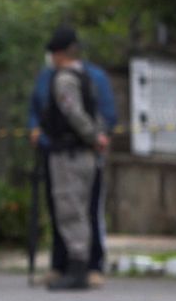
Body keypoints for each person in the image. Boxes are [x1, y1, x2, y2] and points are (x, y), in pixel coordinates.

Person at [29, 44, 117, 283]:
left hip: (78, 152)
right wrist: (36, 130)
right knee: (63, 208)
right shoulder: (48, 76)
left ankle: (88, 266)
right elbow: (38, 108)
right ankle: (63, 265)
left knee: (81, 209)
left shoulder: (83, 77)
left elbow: (83, 113)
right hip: (55, 151)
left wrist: (95, 137)